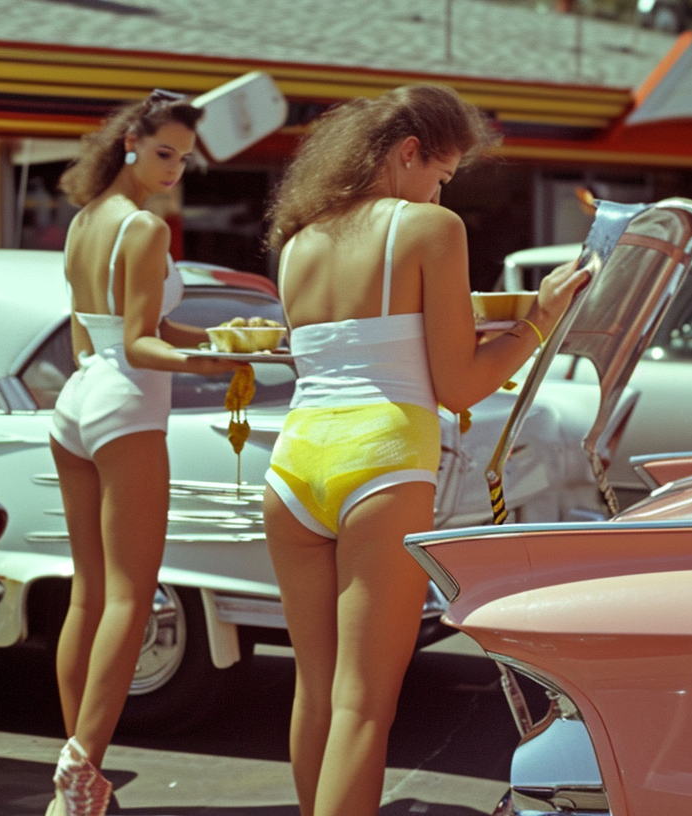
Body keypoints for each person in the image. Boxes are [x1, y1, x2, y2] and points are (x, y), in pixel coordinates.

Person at [261, 84, 589, 815]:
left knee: (316, 692)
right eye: (443, 175)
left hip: (292, 466)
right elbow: (461, 386)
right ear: (409, 153)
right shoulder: (427, 232)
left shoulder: (300, 240)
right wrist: (538, 321)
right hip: (380, 463)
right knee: (363, 707)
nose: (443, 193)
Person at [45, 89, 243, 816]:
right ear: (130, 142)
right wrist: (209, 367)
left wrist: (214, 338)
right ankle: (79, 771)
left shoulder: (83, 221)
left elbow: (100, 332)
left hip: (77, 401)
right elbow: (138, 343)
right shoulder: (145, 229)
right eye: (164, 153)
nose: (174, 170)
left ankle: (81, 774)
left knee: (88, 594)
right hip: (126, 404)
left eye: (184, 159)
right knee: (133, 595)